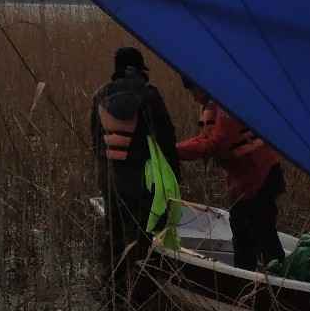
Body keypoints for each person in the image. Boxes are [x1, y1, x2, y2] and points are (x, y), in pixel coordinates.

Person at [91, 46, 181, 303]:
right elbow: (167, 140)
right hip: (141, 180)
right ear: (140, 69)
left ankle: (112, 293)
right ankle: (140, 297)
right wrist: (173, 180)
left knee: (114, 235)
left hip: (109, 178)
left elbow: (95, 142)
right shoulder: (149, 94)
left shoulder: (99, 95)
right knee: (142, 238)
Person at [175, 75, 286, 270]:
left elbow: (218, 143)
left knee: (260, 230)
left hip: (260, 175)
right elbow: (205, 139)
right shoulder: (213, 106)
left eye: (193, 91)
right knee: (242, 231)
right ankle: (244, 276)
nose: (192, 97)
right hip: (244, 180)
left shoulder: (224, 104)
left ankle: (278, 279)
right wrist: (175, 148)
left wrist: (176, 151)